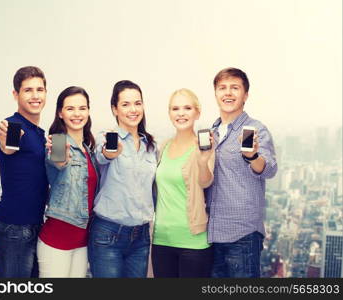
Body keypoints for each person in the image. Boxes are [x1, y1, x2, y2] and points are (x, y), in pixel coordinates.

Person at [205, 67, 278, 278]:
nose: (228, 93)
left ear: (245, 95)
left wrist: (252, 156)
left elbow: (269, 168)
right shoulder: (211, 132)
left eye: (234, 88)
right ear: (216, 94)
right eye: (222, 88)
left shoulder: (256, 129)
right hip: (212, 233)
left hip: (242, 234)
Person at [88, 80, 157, 278]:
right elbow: (102, 155)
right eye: (125, 104)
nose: (133, 109)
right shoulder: (106, 138)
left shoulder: (151, 146)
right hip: (108, 234)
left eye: (137, 103)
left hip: (141, 237)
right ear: (115, 109)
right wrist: (110, 153)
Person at [0, 66, 49, 278]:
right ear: (16, 95)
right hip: (14, 227)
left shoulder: (40, 133)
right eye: (28, 90)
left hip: (33, 225)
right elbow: (8, 146)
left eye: (40, 89)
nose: (35, 96)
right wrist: (7, 144)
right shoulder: (13, 126)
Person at [151, 88, 215, 277]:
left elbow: (206, 182)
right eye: (175, 108)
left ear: (197, 112)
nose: (181, 113)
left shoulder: (205, 148)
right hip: (161, 240)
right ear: (170, 114)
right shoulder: (164, 147)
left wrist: (203, 161)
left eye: (187, 108)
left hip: (193, 242)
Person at [37, 86, 99, 278]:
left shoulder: (89, 148)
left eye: (82, 108)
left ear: (88, 111)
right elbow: (59, 160)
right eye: (70, 108)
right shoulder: (57, 141)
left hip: (81, 242)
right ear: (60, 113)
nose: (77, 114)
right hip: (57, 240)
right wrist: (59, 153)